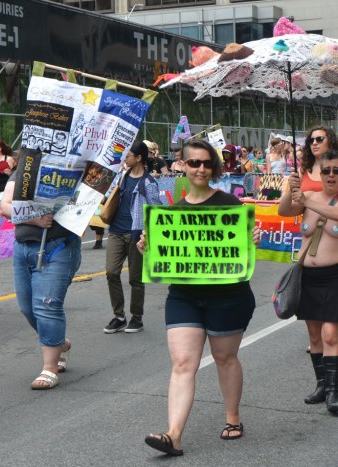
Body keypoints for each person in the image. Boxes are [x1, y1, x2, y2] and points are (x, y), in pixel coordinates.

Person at [141, 139, 261, 456]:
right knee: (182, 363)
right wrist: (148, 247)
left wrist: (251, 241)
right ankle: (174, 435)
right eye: (194, 163)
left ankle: (233, 418)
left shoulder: (231, 205)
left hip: (228, 297)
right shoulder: (172, 212)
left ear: (215, 168)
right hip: (184, 296)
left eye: (207, 163)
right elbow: (162, 254)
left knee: (225, 357)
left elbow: (243, 256)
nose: (201, 169)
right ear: (182, 165)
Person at [279, 149, 338, 414]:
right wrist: (289, 189)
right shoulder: (310, 197)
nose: (331, 176)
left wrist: (304, 198)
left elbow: (337, 216)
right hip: (309, 277)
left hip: (337, 276)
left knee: (329, 334)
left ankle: (334, 391)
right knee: (314, 335)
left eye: (337, 171)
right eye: (326, 171)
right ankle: (321, 385)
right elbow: (283, 211)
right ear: (320, 173)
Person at [285, 126, 338, 345]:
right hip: (310, 233)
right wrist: (291, 188)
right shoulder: (304, 169)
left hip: (337, 228)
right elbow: (292, 206)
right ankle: (318, 340)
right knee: (316, 333)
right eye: (311, 139)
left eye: (319, 139)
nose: (314, 143)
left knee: (333, 312)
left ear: (330, 140)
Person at [1, 174, 82, 389]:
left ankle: (50, 368)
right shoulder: (24, 169)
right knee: (27, 308)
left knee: (46, 305)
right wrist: (34, 218)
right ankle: (58, 343)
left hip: (58, 247)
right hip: (23, 248)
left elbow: (83, 206)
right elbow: (5, 206)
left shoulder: (76, 170)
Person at [103, 141, 161, 334]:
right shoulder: (121, 176)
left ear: (139, 158)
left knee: (135, 278)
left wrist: (148, 234)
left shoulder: (148, 183)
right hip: (116, 231)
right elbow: (109, 196)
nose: (125, 158)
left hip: (136, 233)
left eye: (128, 155)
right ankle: (119, 316)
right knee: (111, 272)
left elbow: (156, 210)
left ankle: (137, 318)